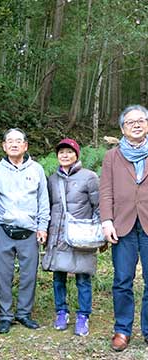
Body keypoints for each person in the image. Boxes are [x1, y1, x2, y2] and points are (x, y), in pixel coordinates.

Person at [0, 128, 50, 334]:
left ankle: (24, 313)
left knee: (29, 274)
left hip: (29, 230)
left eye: (18, 141)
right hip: (3, 228)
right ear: (4, 146)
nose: (14, 144)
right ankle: (5, 315)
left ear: (25, 146)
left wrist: (42, 226)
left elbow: (43, 200)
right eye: (10, 141)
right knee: (2, 274)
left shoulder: (37, 169)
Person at [100, 104, 148, 351]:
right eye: (131, 122)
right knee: (122, 280)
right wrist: (106, 220)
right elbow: (106, 190)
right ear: (122, 128)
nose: (137, 125)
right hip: (122, 225)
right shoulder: (112, 156)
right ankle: (122, 330)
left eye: (141, 120)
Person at [42, 138, 100, 337]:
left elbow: (98, 206)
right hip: (58, 236)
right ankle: (61, 312)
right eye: (61, 152)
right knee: (59, 277)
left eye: (69, 152)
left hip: (82, 235)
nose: (65, 155)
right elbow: (47, 207)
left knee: (83, 277)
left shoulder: (89, 177)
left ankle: (83, 315)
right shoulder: (52, 179)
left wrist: (99, 234)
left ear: (77, 154)